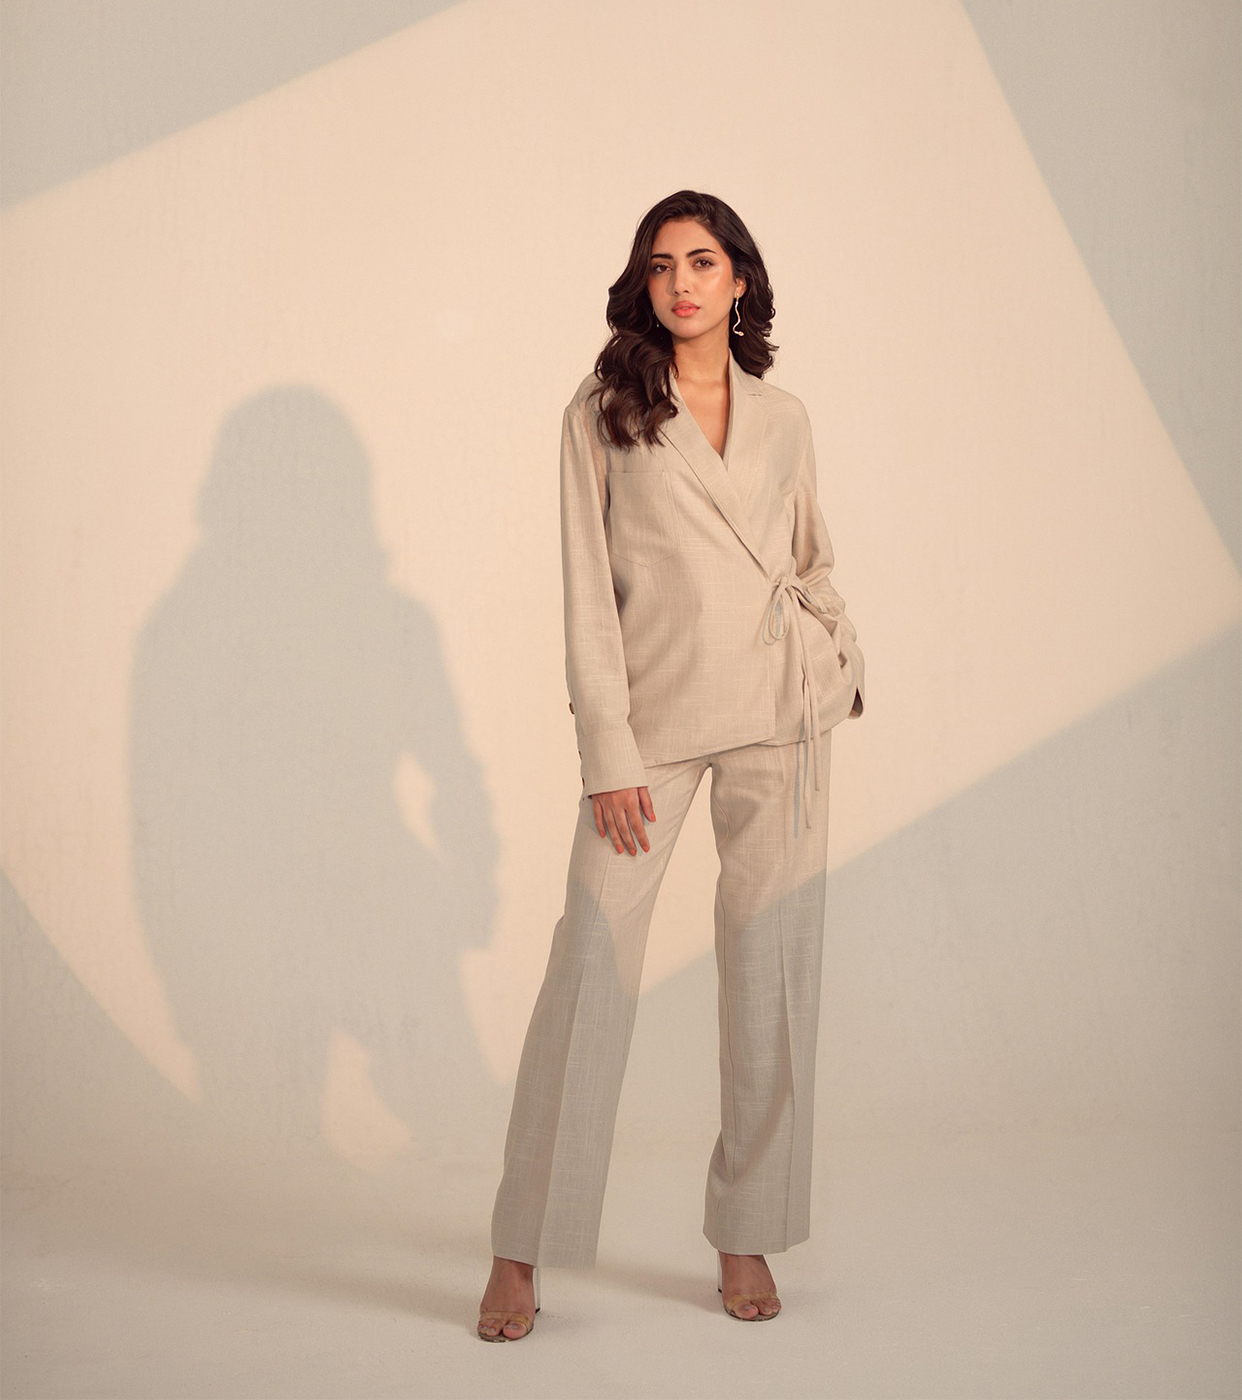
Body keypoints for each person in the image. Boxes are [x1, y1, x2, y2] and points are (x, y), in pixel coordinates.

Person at [476, 190, 866, 1341]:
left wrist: (837, 654)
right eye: (660, 265)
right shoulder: (604, 409)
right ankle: (521, 1242)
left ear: (739, 278)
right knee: (589, 965)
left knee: (772, 972)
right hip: (649, 726)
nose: (681, 282)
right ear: (642, 285)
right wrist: (607, 749)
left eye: (702, 261)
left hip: (782, 716)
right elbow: (585, 592)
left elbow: (810, 555)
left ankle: (745, 1227)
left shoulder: (784, 416)